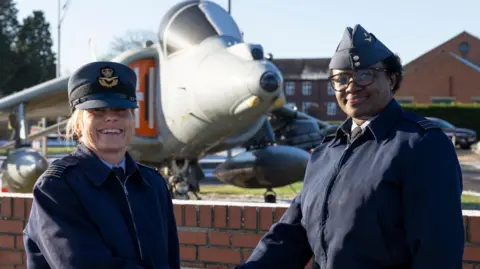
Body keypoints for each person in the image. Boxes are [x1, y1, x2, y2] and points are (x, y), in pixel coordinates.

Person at [235, 24, 465, 269]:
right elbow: (292, 235)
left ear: (391, 78)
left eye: (365, 74)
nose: (351, 86)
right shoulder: (326, 153)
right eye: (341, 78)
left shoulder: (421, 144)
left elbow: (438, 250)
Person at [23, 61, 181, 269]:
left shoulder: (152, 184)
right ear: (78, 123)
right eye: (97, 111)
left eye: (121, 110)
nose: (111, 119)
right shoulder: (57, 188)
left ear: (132, 119)